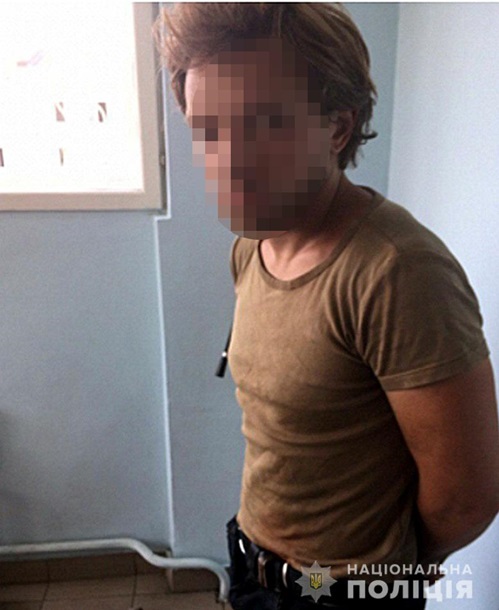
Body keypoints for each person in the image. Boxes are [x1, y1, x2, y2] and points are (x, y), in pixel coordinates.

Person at [154, 4, 499, 609]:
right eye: (207, 129)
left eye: (260, 125)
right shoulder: (252, 247)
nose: (227, 160)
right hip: (253, 563)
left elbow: (466, 498)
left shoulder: (397, 273)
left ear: (337, 127)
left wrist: (379, 581)